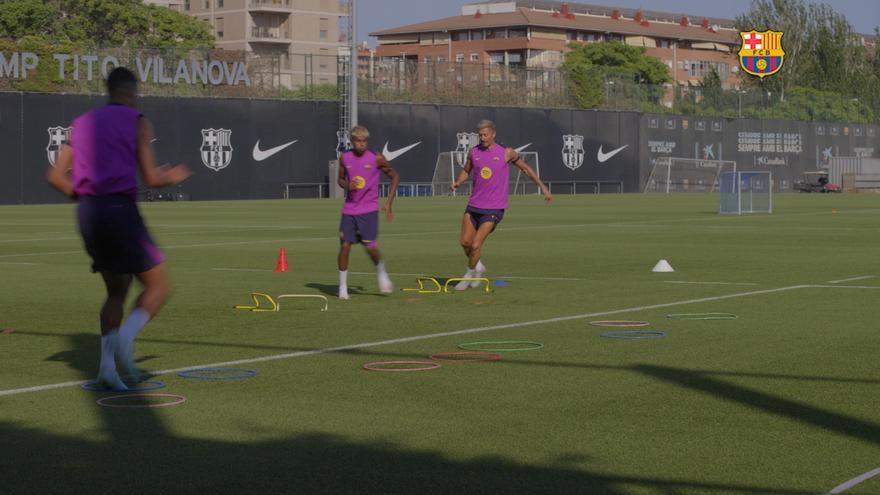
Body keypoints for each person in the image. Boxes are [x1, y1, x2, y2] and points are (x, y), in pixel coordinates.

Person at [47, 67, 191, 390]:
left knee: (116, 291)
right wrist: (175, 175)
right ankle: (126, 341)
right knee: (158, 288)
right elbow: (152, 179)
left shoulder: (81, 124)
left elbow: (54, 176)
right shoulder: (137, 120)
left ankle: (107, 370)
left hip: (88, 213)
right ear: (130, 93)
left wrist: (84, 194)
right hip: (119, 210)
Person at [450, 120, 552, 290]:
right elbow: (466, 170)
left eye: (485, 135)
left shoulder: (506, 152)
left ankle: (468, 276)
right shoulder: (473, 152)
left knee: (476, 245)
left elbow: (525, 169)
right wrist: (458, 182)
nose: (482, 138)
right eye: (480, 135)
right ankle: (478, 265)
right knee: (465, 243)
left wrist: (543, 188)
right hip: (474, 205)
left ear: (493, 134)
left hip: (494, 208)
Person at [336, 125, 399, 300]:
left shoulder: (376, 158)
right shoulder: (344, 157)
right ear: (352, 141)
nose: (362, 144)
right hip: (349, 209)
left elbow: (394, 176)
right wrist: (348, 185)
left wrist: (389, 203)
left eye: (364, 141)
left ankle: (381, 270)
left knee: (369, 246)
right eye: (358, 141)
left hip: (369, 209)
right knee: (345, 245)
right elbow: (340, 179)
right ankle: (342, 288)